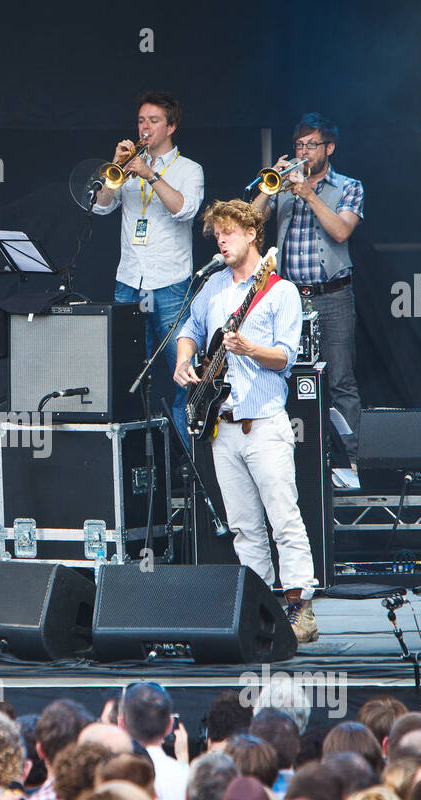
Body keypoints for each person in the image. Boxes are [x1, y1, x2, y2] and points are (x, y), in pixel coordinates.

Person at [175, 199, 318, 642]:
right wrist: (183, 360)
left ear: (252, 234)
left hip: (265, 423)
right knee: (243, 527)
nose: (222, 239)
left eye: (230, 232)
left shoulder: (279, 290)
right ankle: (261, 609)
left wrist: (250, 349)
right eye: (217, 233)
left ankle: (301, 610)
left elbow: (285, 358)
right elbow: (190, 329)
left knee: (284, 519)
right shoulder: (213, 286)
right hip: (223, 425)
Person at [92, 91, 205, 449]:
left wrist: (150, 174)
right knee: (125, 375)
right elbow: (100, 207)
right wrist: (116, 168)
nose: (145, 128)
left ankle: (189, 470)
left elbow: (184, 209)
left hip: (170, 284)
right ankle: (133, 467)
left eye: (153, 121)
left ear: (171, 126)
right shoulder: (129, 166)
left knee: (183, 376)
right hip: (129, 281)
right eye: (141, 121)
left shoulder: (190, 170)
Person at [252, 113, 364, 459]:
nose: (304, 152)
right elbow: (250, 222)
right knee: (288, 377)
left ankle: (349, 461)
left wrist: (309, 194)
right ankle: (296, 456)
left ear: (329, 148)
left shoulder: (348, 186)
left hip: (332, 295)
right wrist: (269, 186)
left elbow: (341, 231)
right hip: (289, 298)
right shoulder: (285, 184)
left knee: (340, 381)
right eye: (299, 145)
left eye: (311, 145)